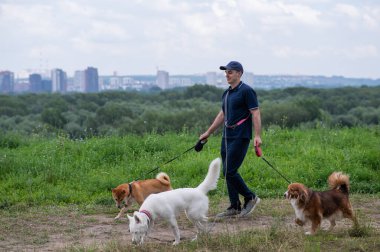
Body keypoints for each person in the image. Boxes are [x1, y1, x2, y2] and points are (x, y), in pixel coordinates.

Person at [199, 61, 262, 217]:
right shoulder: (226, 93)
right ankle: (234, 206)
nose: (227, 75)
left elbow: (255, 113)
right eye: (226, 72)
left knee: (230, 170)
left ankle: (250, 197)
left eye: (230, 72)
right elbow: (222, 115)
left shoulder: (247, 91)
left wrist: (257, 136)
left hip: (241, 136)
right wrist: (208, 132)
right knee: (228, 172)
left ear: (239, 73)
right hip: (227, 136)